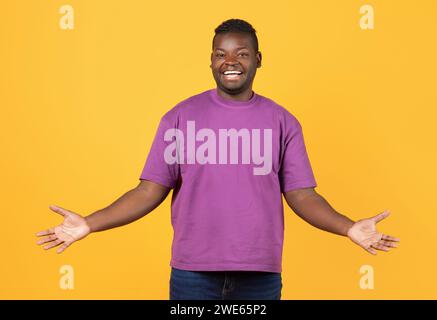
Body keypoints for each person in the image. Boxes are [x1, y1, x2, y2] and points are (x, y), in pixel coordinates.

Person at [36, 19, 400, 300]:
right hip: (192, 274)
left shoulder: (282, 121)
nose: (230, 61)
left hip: (260, 274)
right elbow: (148, 191)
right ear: (210, 60)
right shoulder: (180, 117)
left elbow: (303, 196)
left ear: (258, 59)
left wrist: (349, 227)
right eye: (220, 53)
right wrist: (89, 223)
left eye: (241, 53)